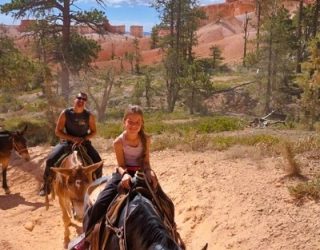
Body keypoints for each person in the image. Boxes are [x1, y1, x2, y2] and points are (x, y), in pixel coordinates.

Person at [82, 104, 158, 239]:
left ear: (142, 123)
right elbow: (121, 165)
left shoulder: (146, 139)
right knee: (100, 203)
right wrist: (124, 175)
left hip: (141, 174)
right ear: (124, 122)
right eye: (130, 122)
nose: (133, 125)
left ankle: (171, 230)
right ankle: (86, 238)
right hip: (123, 173)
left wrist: (149, 171)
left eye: (137, 122)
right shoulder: (118, 142)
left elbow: (146, 163)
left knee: (164, 202)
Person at [39, 92, 103, 196]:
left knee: (98, 162)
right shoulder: (66, 113)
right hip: (67, 143)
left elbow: (94, 131)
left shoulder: (89, 115)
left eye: (84, 99)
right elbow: (57, 131)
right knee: (51, 160)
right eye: (79, 98)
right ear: (75, 99)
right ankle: (46, 186)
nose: (81, 101)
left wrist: (84, 138)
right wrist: (72, 138)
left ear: (85, 102)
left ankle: (97, 187)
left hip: (84, 143)